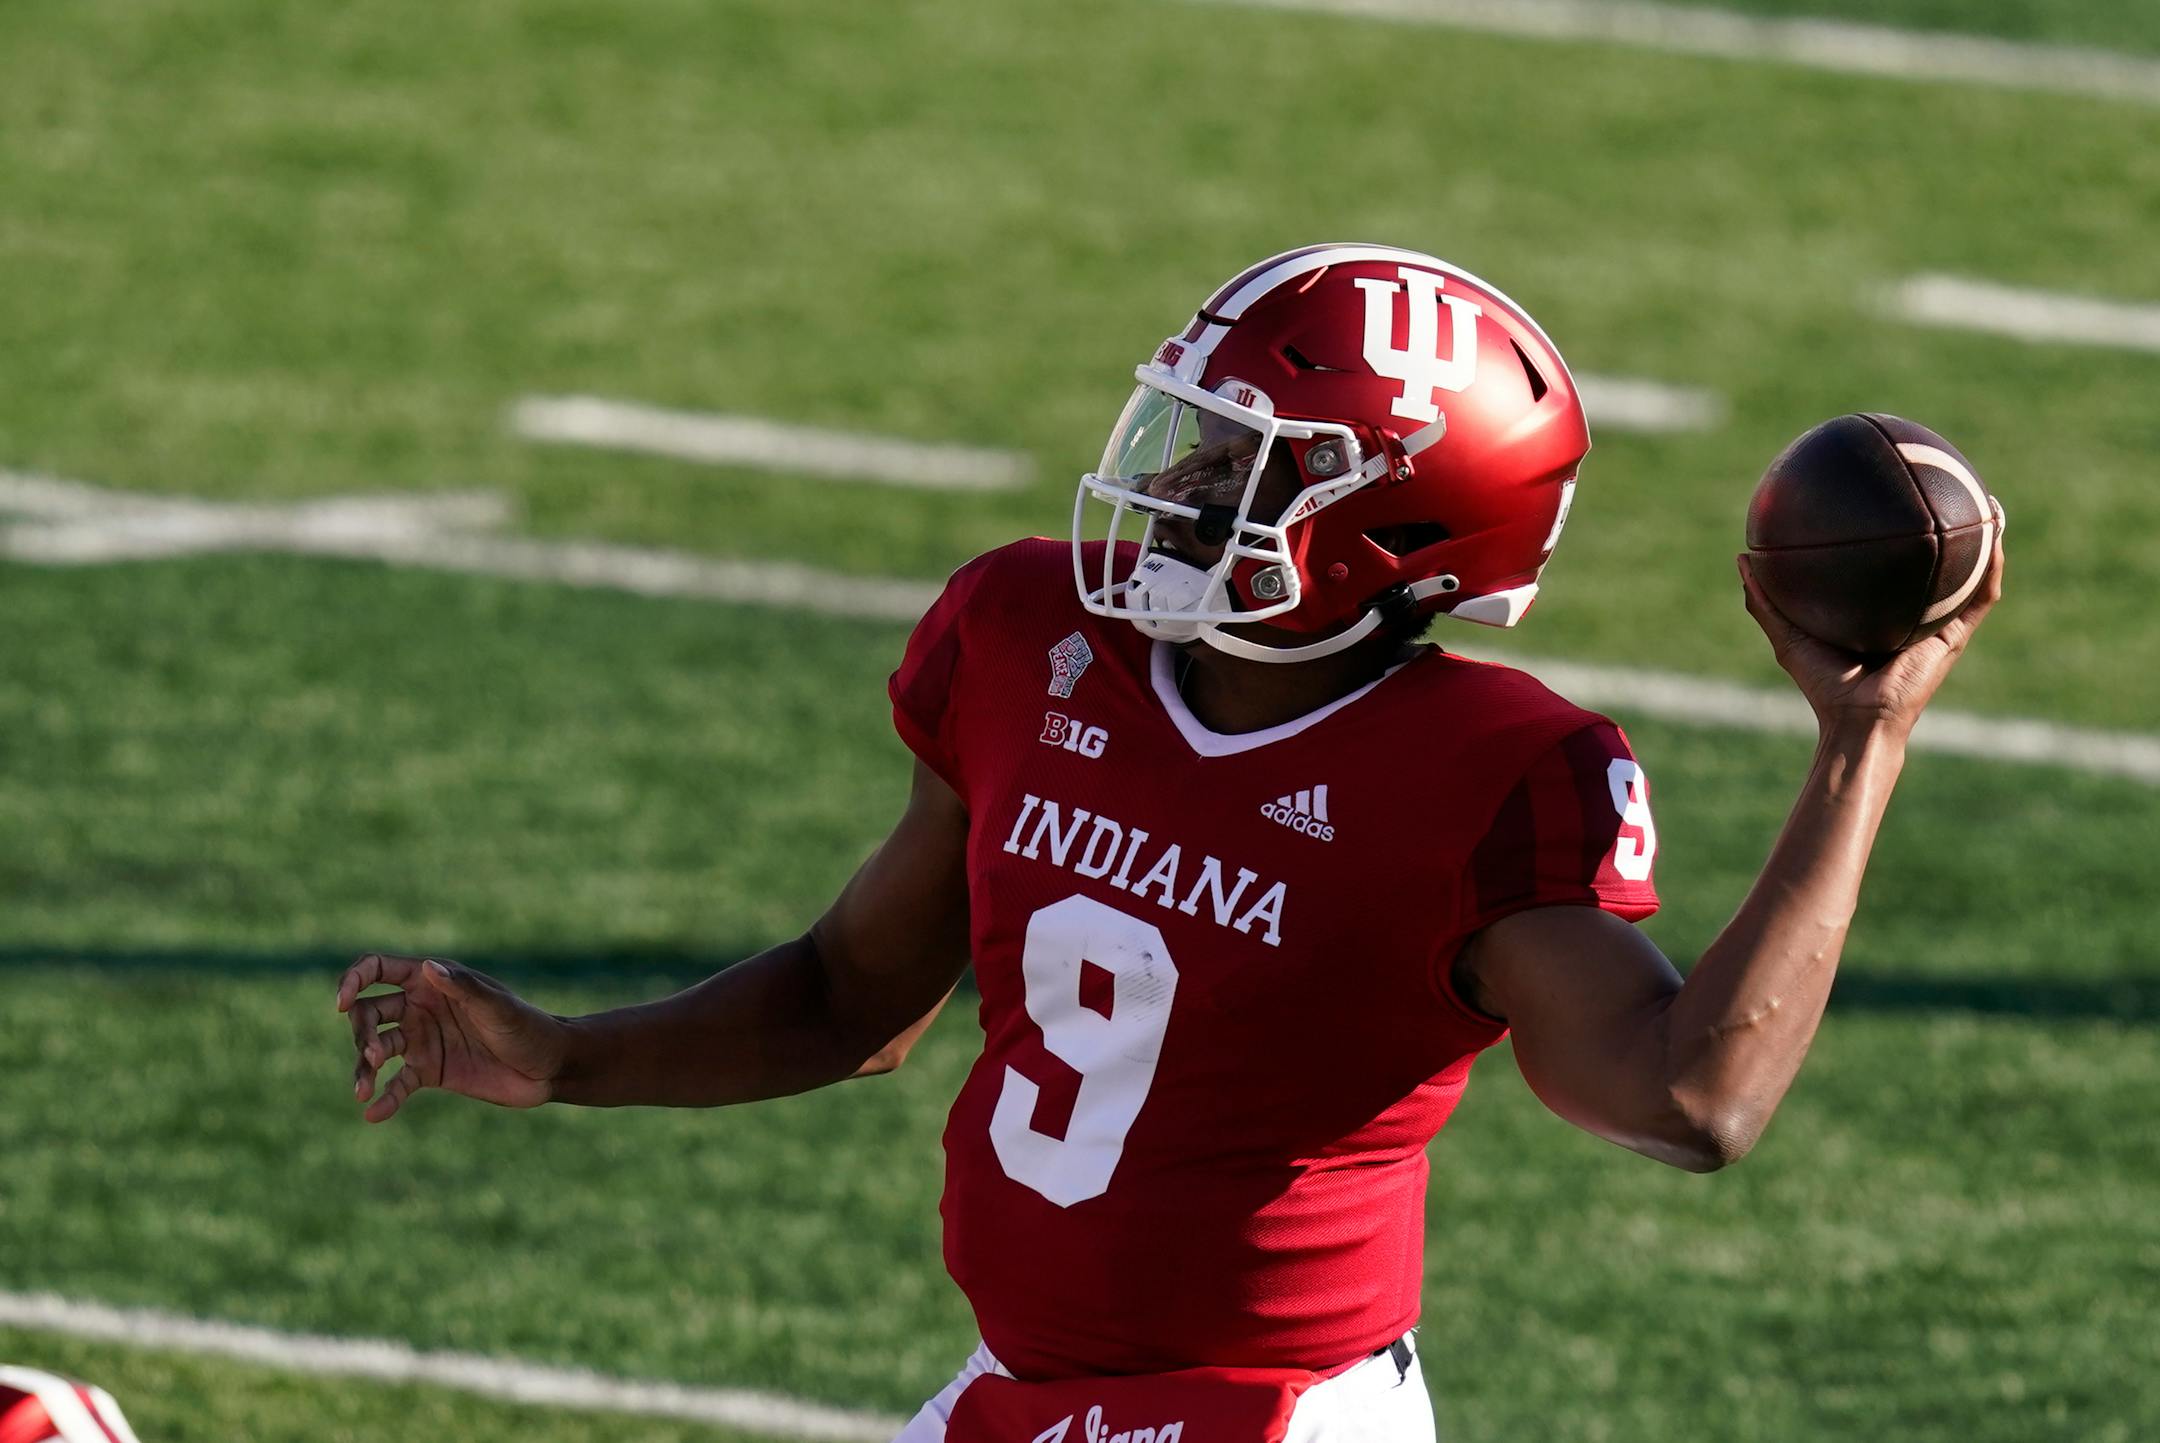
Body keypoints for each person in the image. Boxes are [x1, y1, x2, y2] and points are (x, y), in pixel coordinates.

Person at [337, 244, 2004, 1442]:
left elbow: (1688, 1100)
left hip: (1266, 1413)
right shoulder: (1023, 631)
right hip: (1025, 1392)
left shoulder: (1486, 767)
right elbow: (853, 994)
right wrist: (565, 1060)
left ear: (1390, 530)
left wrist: (1864, 741)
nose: (1180, 478)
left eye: (1245, 461)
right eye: (1190, 430)